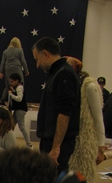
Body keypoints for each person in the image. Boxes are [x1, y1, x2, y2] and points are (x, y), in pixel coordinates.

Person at [32, 37, 80, 174]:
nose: (37, 65)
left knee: (53, 180)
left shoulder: (63, 74)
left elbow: (64, 113)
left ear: (45, 54)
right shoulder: (57, 73)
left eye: (37, 59)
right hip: (50, 140)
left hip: (57, 143)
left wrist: (56, 147)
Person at [65, 57, 106, 183]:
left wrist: (101, 146)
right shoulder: (68, 85)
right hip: (69, 137)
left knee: (80, 176)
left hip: (84, 139)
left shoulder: (89, 86)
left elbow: (98, 118)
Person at [0, 37, 29, 105]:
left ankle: (2, 100)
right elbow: (23, 61)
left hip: (8, 68)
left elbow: (3, 62)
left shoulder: (5, 51)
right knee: (20, 83)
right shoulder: (20, 51)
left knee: (8, 85)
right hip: (17, 67)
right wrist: (26, 70)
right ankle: (20, 100)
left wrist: (1, 71)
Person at [7, 73, 32, 149]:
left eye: (12, 81)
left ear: (17, 81)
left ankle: (29, 145)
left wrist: (11, 94)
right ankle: (9, 142)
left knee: (21, 127)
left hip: (20, 109)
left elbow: (19, 99)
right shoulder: (17, 88)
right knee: (11, 126)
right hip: (18, 109)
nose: (11, 83)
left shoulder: (19, 88)